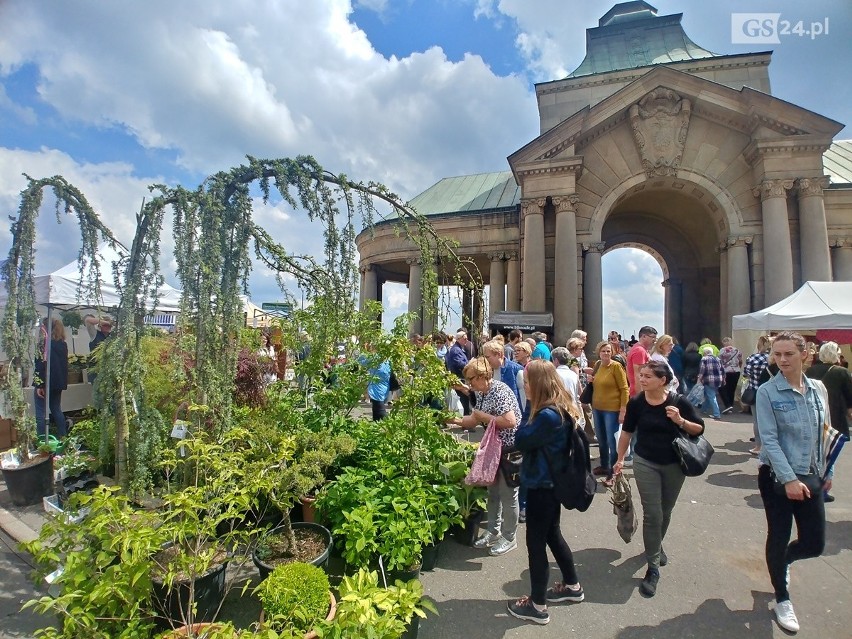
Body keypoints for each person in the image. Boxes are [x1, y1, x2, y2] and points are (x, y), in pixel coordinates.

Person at [756, 332, 833, 634]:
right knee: (779, 532)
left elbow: (824, 432)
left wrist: (827, 473)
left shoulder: (818, 389)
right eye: (777, 354)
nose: (783, 360)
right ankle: (782, 597)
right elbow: (769, 440)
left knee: (815, 543)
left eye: (789, 354)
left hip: (811, 472)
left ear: (805, 354)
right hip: (776, 475)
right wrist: (788, 478)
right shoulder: (767, 392)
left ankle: (783, 562)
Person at [613, 360, 705, 598]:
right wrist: (620, 458)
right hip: (646, 462)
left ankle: (655, 545)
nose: (642, 380)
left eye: (647, 377)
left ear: (662, 380)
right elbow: (627, 432)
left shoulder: (679, 402)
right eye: (641, 375)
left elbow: (699, 429)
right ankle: (653, 567)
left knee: (666, 510)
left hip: (675, 464)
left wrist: (680, 421)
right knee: (653, 514)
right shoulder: (636, 403)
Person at [508, 360, 585, 625]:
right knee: (553, 534)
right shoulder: (559, 409)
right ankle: (572, 586)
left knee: (536, 544)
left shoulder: (547, 415)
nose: (525, 387)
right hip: (552, 483)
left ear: (538, 385)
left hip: (542, 485)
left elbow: (522, 438)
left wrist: (530, 405)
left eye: (528, 382)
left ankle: (538, 605)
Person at [449, 357, 521, 557]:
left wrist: (483, 418)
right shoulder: (482, 392)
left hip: (509, 449)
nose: (469, 383)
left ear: (482, 376)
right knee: (493, 492)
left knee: (508, 495)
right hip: (494, 449)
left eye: (471, 379)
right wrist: (451, 420)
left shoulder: (499, 391)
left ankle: (509, 537)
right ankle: (493, 530)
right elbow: (473, 419)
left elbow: (510, 421)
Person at [805, 341, 852, 502]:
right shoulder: (842, 372)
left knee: (817, 454)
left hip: (814, 418)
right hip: (835, 420)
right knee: (829, 456)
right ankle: (822, 489)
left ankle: (815, 485)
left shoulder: (810, 371)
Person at [589, 340, 628, 486]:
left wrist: (623, 410)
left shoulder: (616, 366)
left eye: (608, 351)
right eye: (603, 351)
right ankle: (604, 465)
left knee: (612, 441)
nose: (606, 353)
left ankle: (613, 472)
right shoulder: (598, 365)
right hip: (597, 408)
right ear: (599, 352)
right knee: (601, 438)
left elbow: (625, 388)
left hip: (612, 409)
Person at [34, 318, 70, 439]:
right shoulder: (63, 344)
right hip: (57, 383)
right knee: (56, 409)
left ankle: (42, 440)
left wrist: (39, 384)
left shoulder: (44, 343)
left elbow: (40, 363)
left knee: (41, 412)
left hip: (45, 381)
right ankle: (62, 437)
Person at [743, 335, 772, 455]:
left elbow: (745, 374)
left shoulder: (752, 358)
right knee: (771, 419)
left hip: (755, 391)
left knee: (757, 420)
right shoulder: (773, 358)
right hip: (771, 391)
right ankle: (770, 445)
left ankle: (759, 446)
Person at [481, 340, 524, 408]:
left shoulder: (517, 371)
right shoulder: (485, 371)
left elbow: (523, 401)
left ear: (499, 354)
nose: (485, 360)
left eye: (487, 357)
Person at [446, 330, 472, 415]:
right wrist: (470, 363)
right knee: (463, 401)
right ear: (458, 339)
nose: (466, 340)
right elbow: (460, 364)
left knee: (464, 400)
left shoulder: (458, 349)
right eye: (465, 339)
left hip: (461, 378)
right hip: (459, 379)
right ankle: (465, 422)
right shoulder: (456, 350)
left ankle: (465, 420)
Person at [627, 326, 656, 396]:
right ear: (644, 336)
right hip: (640, 393)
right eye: (653, 337)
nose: (654, 340)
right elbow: (638, 375)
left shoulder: (642, 349)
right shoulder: (639, 351)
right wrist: (640, 397)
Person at [717, 337, 743, 415]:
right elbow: (740, 361)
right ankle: (730, 405)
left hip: (725, 371)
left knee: (723, 388)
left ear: (723, 343)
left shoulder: (722, 351)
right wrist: (737, 368)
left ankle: (727, 405)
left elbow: (719, 362)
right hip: (736, 371)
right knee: (732, 389)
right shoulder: (737, 350)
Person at [698, 346, 723, 420]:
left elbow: (702, 370)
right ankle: (703, 410)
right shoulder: (717, 359)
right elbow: (722, 369)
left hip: (708, 380)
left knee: (711, 396)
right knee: (709, 395)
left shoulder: (704, 359)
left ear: (705, 352)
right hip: (718, 380)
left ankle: (717, 414)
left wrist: (699, 378)